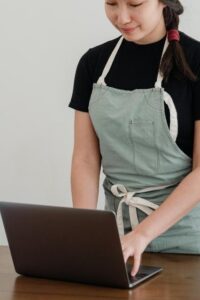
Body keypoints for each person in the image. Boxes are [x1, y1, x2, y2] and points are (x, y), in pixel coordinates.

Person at [68, 0, 200, 277]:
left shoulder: (195, 60)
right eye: (111, 3)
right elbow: (86, 158)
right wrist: (84, 233)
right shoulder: (94, 63)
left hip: (188, 245)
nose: (122, 17)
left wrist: (142, 234)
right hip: (116, 241)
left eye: (135, 3)